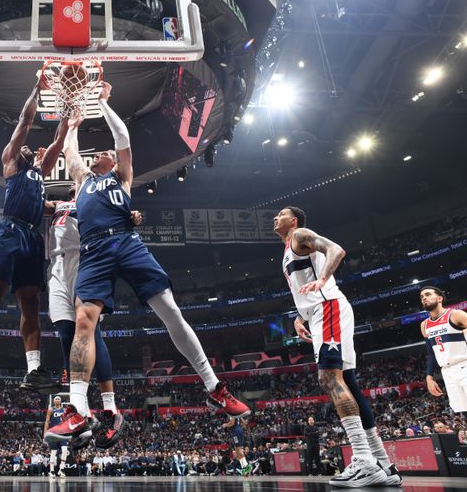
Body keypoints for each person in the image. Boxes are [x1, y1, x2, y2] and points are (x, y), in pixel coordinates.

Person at [45, 81, 249, 447]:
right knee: (83, 323)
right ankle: (76, 409)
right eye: (101, 152)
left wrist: (105, 103)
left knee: (170, 311)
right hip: (92, 251)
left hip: (126, 244)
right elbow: (72, 153)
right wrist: (72, 124)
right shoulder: (82, 182)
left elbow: (122, 136)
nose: (103, 152)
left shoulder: (122, 178)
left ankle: (214, 386)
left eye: (107, 152)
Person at [274, 207, 400, 487]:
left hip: (328, 307)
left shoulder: (301, 234)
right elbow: (304, 283)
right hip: (319, 311)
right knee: (349, 384)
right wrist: (300, 316)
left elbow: (337, 250)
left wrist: (322, 281)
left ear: (293, 220)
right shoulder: (289, 248)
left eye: (280, 214)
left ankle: (365, 462)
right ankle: (383, 464)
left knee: (328, 378)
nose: (275, 218)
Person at [0, 79, 66, 398]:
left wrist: (69, 111)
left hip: (33, 239)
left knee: (32, 304)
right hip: (9, 230)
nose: (25, 144)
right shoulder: (11, 163)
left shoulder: (39, 175)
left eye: (28, 148)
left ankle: (34, 370)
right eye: (22, 145)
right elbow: (25, 121)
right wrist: (37, 88)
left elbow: (60, 140)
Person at [44, 169, 142, 449]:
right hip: (57, 266)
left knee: (90, 333)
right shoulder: (59, 205)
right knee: (65, 334)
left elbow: (128, 216)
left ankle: (110, 408)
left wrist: (134, 217)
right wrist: (37, 169)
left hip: (87, 261)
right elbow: (33, 205)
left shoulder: (99, 200)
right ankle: (83, 413)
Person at [420, 286, 467, 415]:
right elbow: (431, 353)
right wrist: (429, 377)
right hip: (447, 371)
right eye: (422, 297)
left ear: (439, 298)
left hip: (464, 364)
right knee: (462, 410)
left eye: (428, 294)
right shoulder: (424, 325)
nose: (424, 298)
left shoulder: (456, 315)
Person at [43, 396, 69, 476]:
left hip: (62, 433)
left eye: (58, 399)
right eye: (56, 399)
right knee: (53, 452)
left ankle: (61, 469)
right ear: (54, 401)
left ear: (61, 401)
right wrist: (45, 433)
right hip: (53, 433)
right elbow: (47, 421)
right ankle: (52, 471)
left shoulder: (64, 410)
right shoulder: (51, 409)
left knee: (65, 450)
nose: (57, 400)